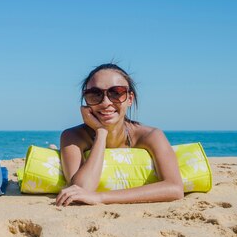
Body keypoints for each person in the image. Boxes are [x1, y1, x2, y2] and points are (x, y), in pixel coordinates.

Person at [55, 63, 184, 206]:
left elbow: (175, 188)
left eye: (116, 93)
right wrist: (101, 133)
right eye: (95, 94)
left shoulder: (150, 135)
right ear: (86, 100)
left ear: (130, 99)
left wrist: (101, 197)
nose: (105, 102)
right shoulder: (72, 137)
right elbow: (81, 190)